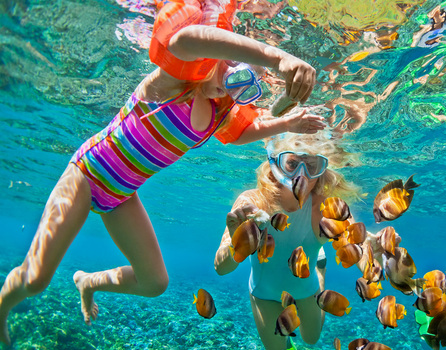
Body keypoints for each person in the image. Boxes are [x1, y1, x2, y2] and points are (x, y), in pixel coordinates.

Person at [0, 0, 327, 345]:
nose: (231, 88)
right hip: (86, 174)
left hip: (122, 195)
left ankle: (88, 282)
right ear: (219, 52)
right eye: (235, 73)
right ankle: (2, 306)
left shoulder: (218, 111)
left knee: (155, 283)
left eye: (245, 88)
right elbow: (185, 39)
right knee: (36, 278)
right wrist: (277, 58)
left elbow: (243, 133)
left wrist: (287, 122)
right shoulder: (173, 83)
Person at [213, 133, 360, 350]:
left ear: (322, 172)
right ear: (275, 163)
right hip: (264, 292)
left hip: (305, 286)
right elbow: (220, 268)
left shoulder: (327, 207)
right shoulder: (252, 202)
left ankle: (320, 271)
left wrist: (370, 247)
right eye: (292, 164)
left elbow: (357, 245)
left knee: (311, 338)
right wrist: (237, 242)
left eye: (311, 165)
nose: (301, 175)